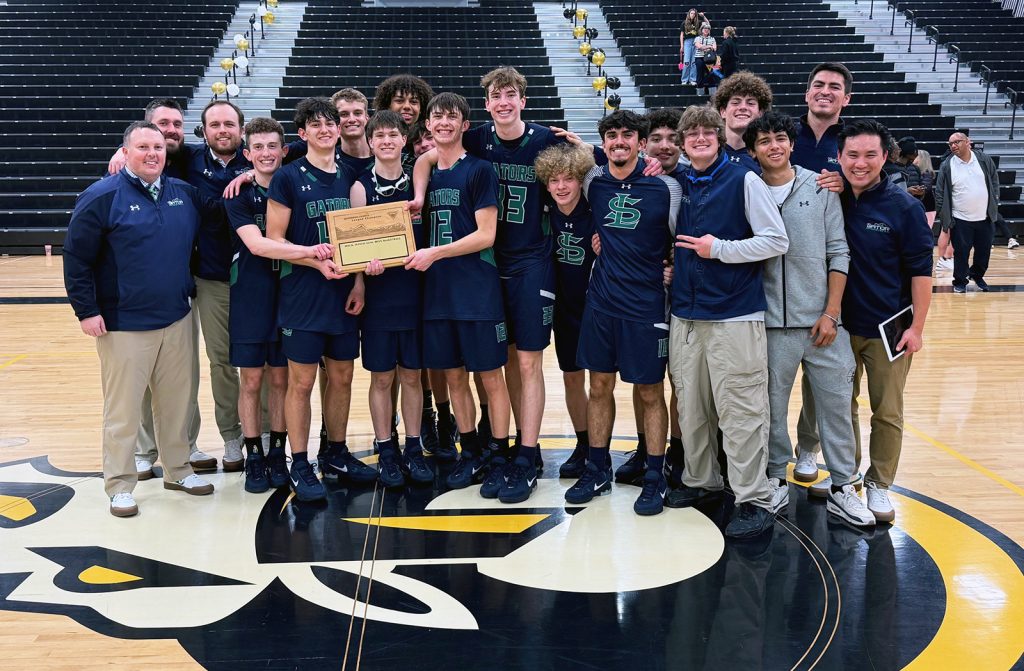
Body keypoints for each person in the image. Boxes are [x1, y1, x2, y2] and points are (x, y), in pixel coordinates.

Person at [413, 67, 562, 503]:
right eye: (495, 95)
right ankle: (494, 447)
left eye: (510, 95)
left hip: (530, 260)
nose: (502, 102)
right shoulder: (476, 138)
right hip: (483, 267)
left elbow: (584, 170)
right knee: (498, 363)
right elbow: (426, 157)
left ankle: (527, 453)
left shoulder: (547, 141)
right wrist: (420, 194)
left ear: (523, 101)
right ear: (487, 104)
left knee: (528, 362)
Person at [64, 121, 220, 517]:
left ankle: (178, 470)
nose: (152, 154)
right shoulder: (101, 196)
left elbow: (222, 216)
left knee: (177, 404)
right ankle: (119, 484)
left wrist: (258, 171)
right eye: (143, 147)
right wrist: (87, 311)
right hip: (122, 324)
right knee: (123, 410)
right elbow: (77, 259)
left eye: (158, 147)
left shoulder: (183, 193)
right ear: (126, 152)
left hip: (176, 318)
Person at [108, 101, 254, 475]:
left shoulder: (261, 156)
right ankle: (154, 448)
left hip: (256, 275)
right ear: (203, 131)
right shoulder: (185, 159)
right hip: (201, 279)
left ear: (242, 128)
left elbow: (300, 146)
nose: (169, 132)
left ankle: (249, 437)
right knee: (188, 366)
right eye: (161, 127)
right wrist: (123, 153)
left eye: (230, 124)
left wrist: (255, 171)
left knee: (252, 363)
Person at [745, 112, 874, 527]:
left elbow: (839, 252)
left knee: (836, 407)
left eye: (780, 138)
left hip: (823, 323)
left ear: (790, 142)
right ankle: (774, 477)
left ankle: (842, 486)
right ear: (753, 151)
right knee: (771, 409)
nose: (773, 146)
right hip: (769, 325)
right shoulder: (746, 189)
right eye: (764, 142)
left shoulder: (820, 187)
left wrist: (831, 313)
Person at [666, 104, 789, 539]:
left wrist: (719, 248)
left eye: (707, 131)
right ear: (682, 142)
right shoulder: (678, 181)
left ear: (719, 137)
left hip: (735, 314)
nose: (699, 138)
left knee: (741, 412)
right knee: (693, 407)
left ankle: (753, 497)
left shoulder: (744, 179)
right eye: (691, 132)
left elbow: (776, 240)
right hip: (685, 313)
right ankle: (702, 482)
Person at [567, 109, 681, 517]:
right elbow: (568, 165)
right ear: (605, 143)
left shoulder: (667, 187)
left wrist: (672, 269)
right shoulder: (593, 180)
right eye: (612, 136)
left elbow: (682, 239)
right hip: (600, 300)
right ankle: (597, 469)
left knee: (650, 391)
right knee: (598, 386)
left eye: (627, 135)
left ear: (641, 141)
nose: (619, 142)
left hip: (646, 304)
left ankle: (655, 475)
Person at [266, 97, 378, 502]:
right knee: (302, 380)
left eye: (330, 123)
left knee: (343, 377)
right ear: (303, 134)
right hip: (303, 293)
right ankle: (300, 460)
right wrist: (313, 261)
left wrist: (360, 284)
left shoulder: (351, 175)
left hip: (343, 292)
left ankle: (335, 452)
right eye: (316, 125)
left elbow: (359, 239)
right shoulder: (287, 177)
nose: (326, 129)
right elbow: (275, 239)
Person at [405, 92, 514, 499]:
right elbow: (422, 160)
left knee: (491, 377)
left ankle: (499, 455)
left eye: (452, 118)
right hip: (437, 293)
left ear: (465, 126)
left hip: (476, 289)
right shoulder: (428, 171)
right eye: (437, 117)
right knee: (452, 377)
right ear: (428, 126)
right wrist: (418, 195)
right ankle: (469, 449)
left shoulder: (481, 170)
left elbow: (487, 234)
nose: (444, 123)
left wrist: (435, 252)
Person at [223, 117, 336, 494]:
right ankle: (253, 453)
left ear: (286, 150)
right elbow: (258, 244)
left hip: (292, 291)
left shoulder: (294, 179)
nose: (266, 153)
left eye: (273, 146)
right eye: (258, 147)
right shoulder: (238, 193)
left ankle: (277, 453)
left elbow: (327, 143)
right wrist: (310, 252)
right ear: (247, 153)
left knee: (282, 377)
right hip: (253, 293)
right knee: (252, 378)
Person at [836, 118, 932, 522]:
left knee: (887, 411)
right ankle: (847, 479)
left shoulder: (903, 207)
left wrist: (916, 329)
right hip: (838, 327)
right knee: (841, 409)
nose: (860, 163)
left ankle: (879, 484)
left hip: (888, 328)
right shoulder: (832, 198)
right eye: (852, 155)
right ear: (839, 157)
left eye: (870, 155)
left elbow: (921, 273)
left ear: (885, 157)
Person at [350, 110, 434, 488]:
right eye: (378, 135)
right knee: (382, 377)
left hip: (416, 288)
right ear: (369, 142)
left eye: (393, 135)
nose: (385, 140)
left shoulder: (421, 181)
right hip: (379, 292)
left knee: (413, 375)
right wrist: (359, 278)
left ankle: (414, 449)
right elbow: (353, 245)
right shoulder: (359, 186)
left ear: (405, 140)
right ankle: (387, 449)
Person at [613, 108, 686, 490]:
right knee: (647, 380)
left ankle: (677, 452)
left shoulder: (689, 180)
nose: (665, 146)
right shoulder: (632, 176)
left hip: (687, 297)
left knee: (680, 380)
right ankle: (647, 448)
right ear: (645, 144)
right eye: (657, 139)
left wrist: (677, 266)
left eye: (673, 139)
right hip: (641, 296)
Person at [534, 144, 597, 479]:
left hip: (597, 306)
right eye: (554, 180)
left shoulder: (595, 208)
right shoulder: (545, 211)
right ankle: (583, 443)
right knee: (573, 380)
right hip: (564, 308)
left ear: (580, 181)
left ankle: (599, 448)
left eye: (569, 179)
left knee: (601, 382)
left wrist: (591, 148)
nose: (561, 186)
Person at [935, 132, 1002, 293]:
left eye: (957, 142)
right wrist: (944, 216)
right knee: (961, 253)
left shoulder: (984, 160)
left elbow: (994, 181)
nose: (953, 146)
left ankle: (977, 275)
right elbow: (940, 192)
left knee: (983, 252)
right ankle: (960, 281)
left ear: (968, 142)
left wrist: (995, 200)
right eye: (950, 143)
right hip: (960, 218)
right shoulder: (947, 165)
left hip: (984, 217)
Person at [712, 71, 773, 173]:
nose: (743, 107)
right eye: (735, 102)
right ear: (723, 111)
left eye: (750, 103)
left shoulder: (769, 155)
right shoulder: (707, 152)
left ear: (760, 113)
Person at [679, 8, 708, 86]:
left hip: (696, 41)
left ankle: (692, 79)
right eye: (691, 13)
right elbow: (681, 35)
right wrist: (682, 46)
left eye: (694, 14)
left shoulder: (698, 23)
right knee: (687, 61)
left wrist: (703, 16)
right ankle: (684, 79)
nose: (692, 15)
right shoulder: (684, 23)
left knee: (693, 61)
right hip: (687, 42)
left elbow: (707, 24)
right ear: (689, 14)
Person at [694, 24, 717, 97]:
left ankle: (713, 95)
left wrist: (706, 47)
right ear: (701, 30)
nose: (706, 30)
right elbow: (699, 46)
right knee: (700, 75)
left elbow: (715, 48)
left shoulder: (712, 38)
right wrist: (709, 47)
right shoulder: (697, 38)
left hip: (709, 60)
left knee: (711, 75)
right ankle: (700, 94)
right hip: (699, 58)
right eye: (705, 28)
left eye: (708, 29)